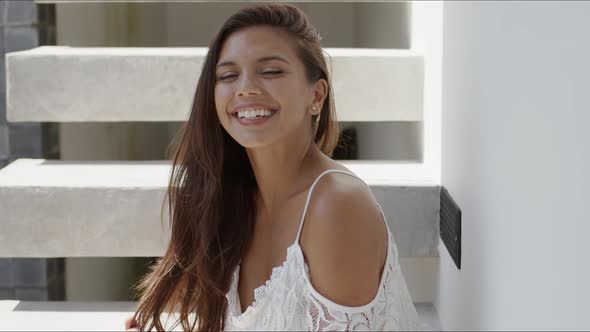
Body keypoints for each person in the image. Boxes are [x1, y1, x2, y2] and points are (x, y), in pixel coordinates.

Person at [125, 3, 420, 331]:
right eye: (228, 75)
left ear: (317, 95)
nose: (246, 87)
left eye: (271, 71)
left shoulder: (335, 206)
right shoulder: (233, 197)